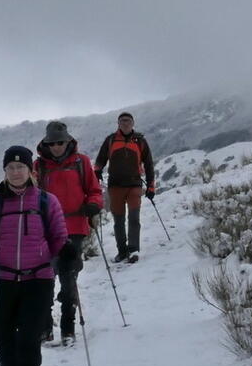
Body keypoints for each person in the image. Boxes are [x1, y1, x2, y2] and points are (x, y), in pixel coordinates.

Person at [0, 146, 66, 366]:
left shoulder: (46, 201)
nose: (16, 172)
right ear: (4, 171)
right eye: (10, 167)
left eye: (21, 167)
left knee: (28, 341)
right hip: (3, 281)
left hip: (38, 280)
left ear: (31, 171)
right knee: (3, 341)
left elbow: (58, 236)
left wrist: (64, 253)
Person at [33, 121, 102, 345]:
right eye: (51, 143)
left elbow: (94, 190)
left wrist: (93, 204)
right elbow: (32, 195)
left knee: (69, 277)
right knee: (45, 277)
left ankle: (68, 328)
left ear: (68, 141)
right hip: (47, 229)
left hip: (74, 227)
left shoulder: (81, 162)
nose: (56, 147)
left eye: (60, 142)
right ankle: (45, 327)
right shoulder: (38, 166)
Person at [95, 111, 158, 263]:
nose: (125, 123)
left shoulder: (140, 141)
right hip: (115, 186)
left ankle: (133, 250)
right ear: (118, 123)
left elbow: (149, 165)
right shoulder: (110, 140)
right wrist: (97, 171)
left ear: (133, 123)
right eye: (122, 120)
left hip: (134, 185)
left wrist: (151, 187)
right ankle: (122, 251)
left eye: (128, 120)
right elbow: (100, 159)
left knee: (134, 218)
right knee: (119, 221)